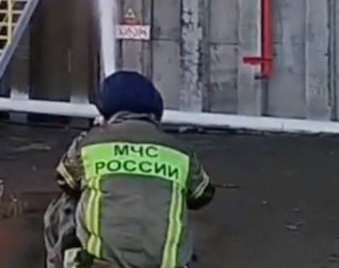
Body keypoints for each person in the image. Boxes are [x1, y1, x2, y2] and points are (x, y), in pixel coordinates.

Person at [43, 70, 215, 268]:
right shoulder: (180, 151)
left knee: (65, 203)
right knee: (175, 202)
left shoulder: (89, 143)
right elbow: (203, 195)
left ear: (105, 113)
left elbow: (64, 179)